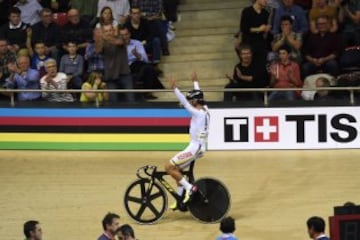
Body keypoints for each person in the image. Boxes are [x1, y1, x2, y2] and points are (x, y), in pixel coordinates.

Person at [164, 72, 210, 208]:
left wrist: (175, 89)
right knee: (176, 170)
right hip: (200, 148)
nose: (190, 102)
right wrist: (195, 82)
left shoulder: (197, 112)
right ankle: (179, 199)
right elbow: (199, 94)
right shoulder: (206, 109)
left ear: (195, 102)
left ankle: (190, 188)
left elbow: (184, 102)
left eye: (192, 100)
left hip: (194, 148)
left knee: (168, 167)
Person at [119, 27, 163, 100]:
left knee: (146, 67)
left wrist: (136, 54)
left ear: (129, 34)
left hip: (137, 64)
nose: (124, 37)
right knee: (148, 68)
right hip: (125, 67)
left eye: (126, 34)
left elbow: (145, 59)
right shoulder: (117, 46)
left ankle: (146, 92)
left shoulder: (137, 43)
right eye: (122, 35)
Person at [99, 24, 134, 102]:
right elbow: (98, 49)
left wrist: (105, 37)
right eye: (106, 31)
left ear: (114, 30)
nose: (108, 33)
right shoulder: (103, 43)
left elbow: (119, 42)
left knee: (130, 100)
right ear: (103, 32)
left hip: (124, 74)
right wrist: (100, 38)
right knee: (113, 102)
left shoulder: (121, 38)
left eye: (110, 30)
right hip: (111, 76)